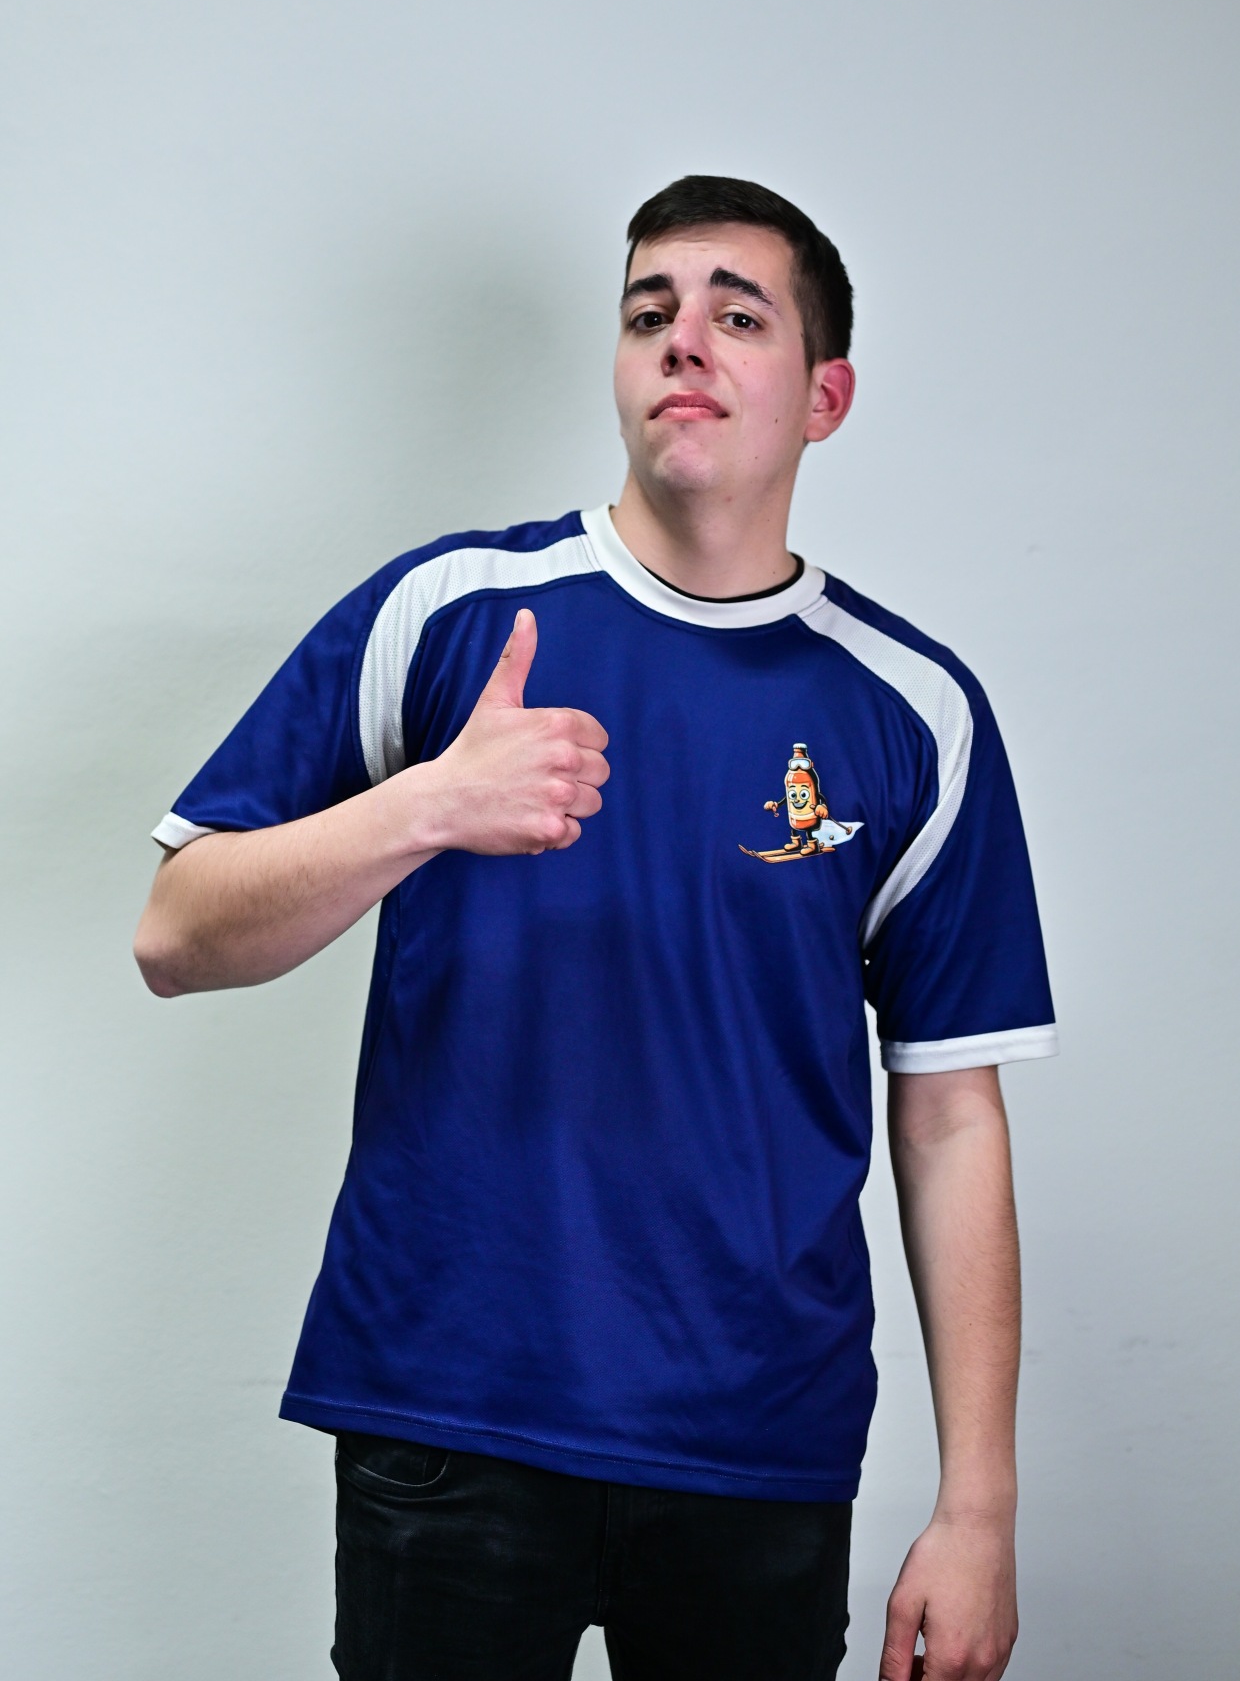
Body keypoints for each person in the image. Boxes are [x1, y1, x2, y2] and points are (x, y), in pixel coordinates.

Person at [134, 175, 1056, 1681]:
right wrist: (426, 806)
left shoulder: (912, 712)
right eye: (649, 314)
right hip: (451, 1418)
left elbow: (952, 1115)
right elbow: (176, 934)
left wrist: (980, 1509)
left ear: (824, 397)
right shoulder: (456, 612)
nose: (682, 340)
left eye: (737, 316)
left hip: (757, 1443)